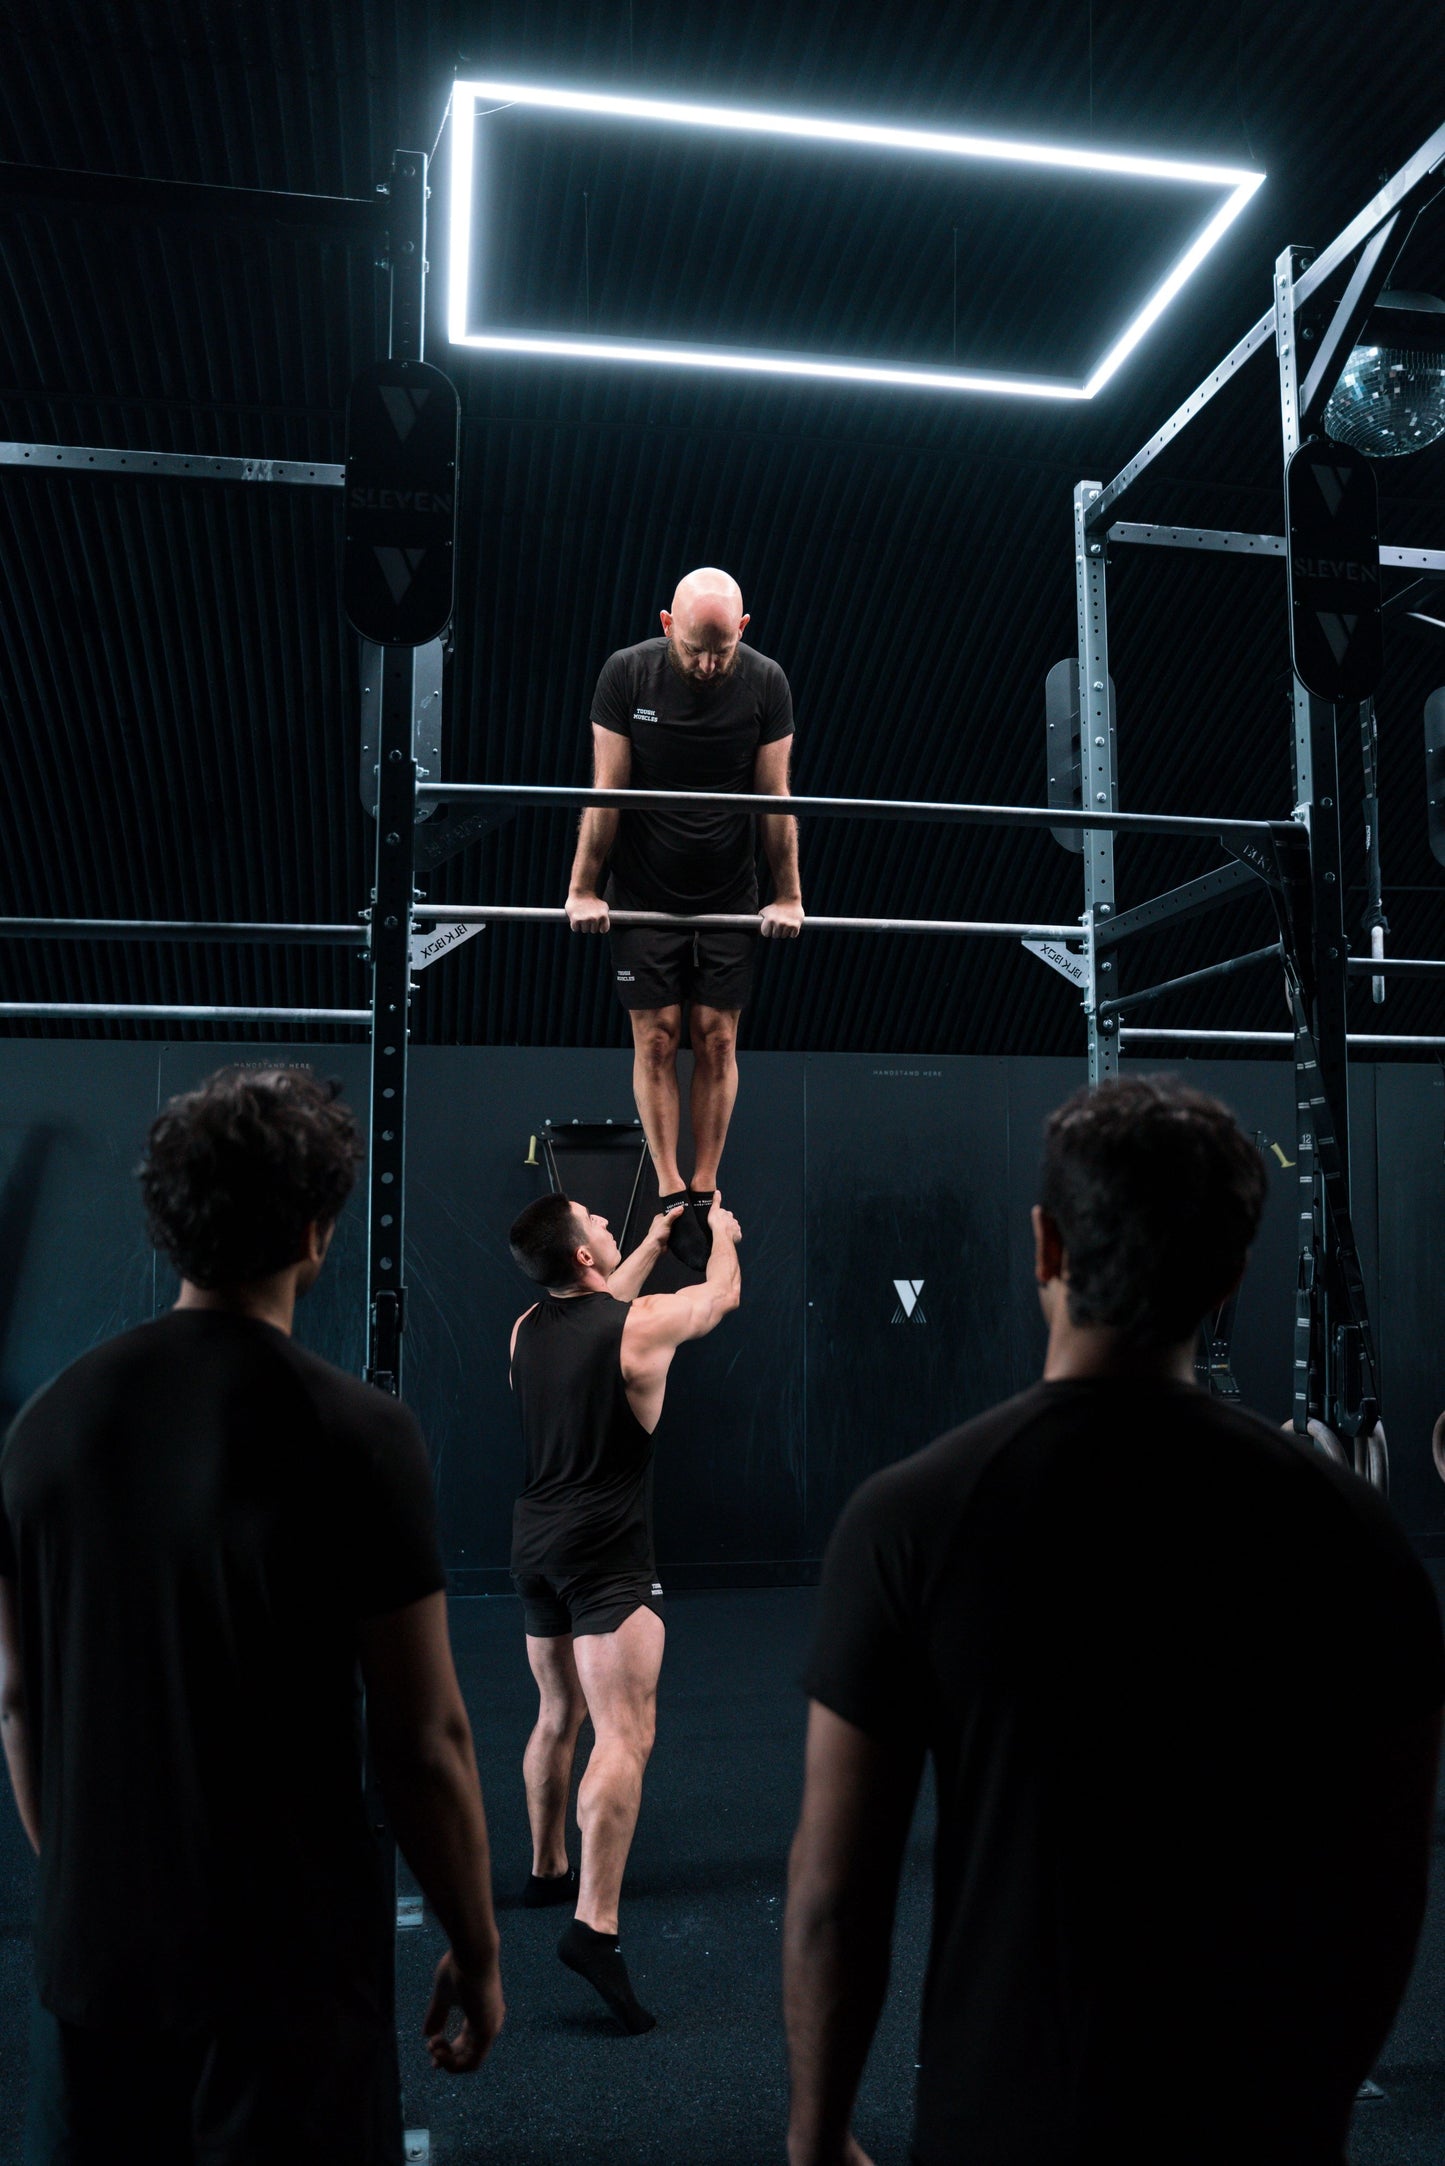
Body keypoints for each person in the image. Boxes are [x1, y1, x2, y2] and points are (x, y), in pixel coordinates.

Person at [784, 1076, 1445, 2166]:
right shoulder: (1352, 1532)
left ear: (1044, 1245)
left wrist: (814, 2136)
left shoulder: (908, 1519)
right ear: (1230, 1279)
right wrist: (1308, 2106)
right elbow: (1385, 1887)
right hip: (1256, 2127)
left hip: (999, 2122)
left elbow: (834, 1897)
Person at [0, 1067, 504, 2166]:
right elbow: (423, 1741)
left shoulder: (43, 1430)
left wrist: (92, 1886)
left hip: (94, 1972)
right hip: (288, 1977)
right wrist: (475, 1946)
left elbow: (19, 1701)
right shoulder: (358, 1433)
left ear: (165, 1221)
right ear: (316, 1230)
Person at [507, 1185, 742, 2032]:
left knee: (556, 1711)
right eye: (597, 1223)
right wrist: (722, 1234)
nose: (607, 1224)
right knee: (624, 1734)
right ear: (580, 1253)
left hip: (534, 1546)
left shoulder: (524, 1330)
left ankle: (546, 1872)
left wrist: (647, 1240)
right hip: (607, 1559)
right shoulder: (640, 1327)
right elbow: (720, 1297)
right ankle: (594, 1929)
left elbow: (600, 1307)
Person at [564, 566, 802, 1271]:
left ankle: (704, 1184)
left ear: (742, 632)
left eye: (721, 651)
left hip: (730, 892)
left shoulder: (766, 682)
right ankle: (670, 1189)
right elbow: (607, 790)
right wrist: (584, 888)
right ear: (667, 625)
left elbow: (775, 798)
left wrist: (788, 896)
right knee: (659, 1037)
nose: (706, 665)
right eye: (694, 649)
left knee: (717, 1039)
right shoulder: (626, 674)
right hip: (643, 889)